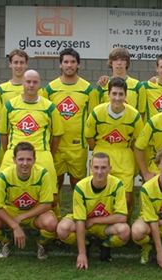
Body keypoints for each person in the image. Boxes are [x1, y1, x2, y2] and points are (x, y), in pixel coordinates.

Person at [0, 69, 64, 215]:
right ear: (23, 83)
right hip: (14, 153)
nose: (31, 85)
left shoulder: (49, 107)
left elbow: (57, 135)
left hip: (41, 153)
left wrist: (48, 153)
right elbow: (3, 133)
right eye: (28, 81)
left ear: (40, 84)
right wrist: (10, 151)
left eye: (35, 82)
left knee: (52, 195)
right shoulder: (10, 105)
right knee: (2, 192)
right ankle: (2, 228)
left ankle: (54, 226)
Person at [0, 142, 57, 259]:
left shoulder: (42, 174)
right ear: (14, 160)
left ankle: (42, 243)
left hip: (34, 214)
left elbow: (46, 205)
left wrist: (21, 217)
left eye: (29, 159)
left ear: (34, 160)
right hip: (10, 213)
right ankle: (5, 239)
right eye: (21, 159)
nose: (25, 163)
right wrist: (15, 226)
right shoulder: (4, 176)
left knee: (51, 223)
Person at [56, 152, 130, 269]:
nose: (99, 172)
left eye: (103, 168)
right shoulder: (81, 187)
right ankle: (86, 242)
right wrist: (82, 254)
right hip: (85, 224)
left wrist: (95, 220)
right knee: (62, 229)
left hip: (104, 225)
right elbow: (80, 221)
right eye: (96, 167)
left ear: (110, 169)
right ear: (90, 168)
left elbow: (122, 217)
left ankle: (105, 244)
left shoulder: (117, 185)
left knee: (125, 231)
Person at [40, 48, 97, 194]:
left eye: (73, 62)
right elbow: (44, 117)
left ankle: (77, 214)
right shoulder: (50, 89)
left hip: (78, 146)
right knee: (55, 183)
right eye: (66, 62)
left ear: (78, 65)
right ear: (60, 65)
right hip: (56, 144)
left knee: (77, 185)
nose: (69, 65)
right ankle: (55, 214)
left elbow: (93, 119)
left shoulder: (88, 89)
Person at [85, 77, 144, 210]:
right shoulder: (97, 112)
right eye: (114, 94)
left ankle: (126, 226)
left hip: (124, 156)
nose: (117, 98)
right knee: (100, 196)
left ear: (126, 95)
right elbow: (89, 137)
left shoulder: (134, 115)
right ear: (108, 94)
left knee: (127, 198)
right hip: (102, 153)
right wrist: (99, 148)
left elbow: (137, 140)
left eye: (121, 94)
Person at [0, 49, 29, 174]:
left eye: (22, 62)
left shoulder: (35, 89)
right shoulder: (2, 89)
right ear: (10, 64)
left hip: (28, 140)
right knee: (4, 177)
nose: (18, 66)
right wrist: (7, 137)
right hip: (7, 143)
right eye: (16, 62)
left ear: (26, 64)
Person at [96, 47, 146, 115]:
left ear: (127, 63)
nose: (119, 63)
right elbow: (97, 111)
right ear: (111, 63)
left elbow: (141, 113)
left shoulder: (138, 86)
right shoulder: (103, 84)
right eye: (115, 59)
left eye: (123, 60)